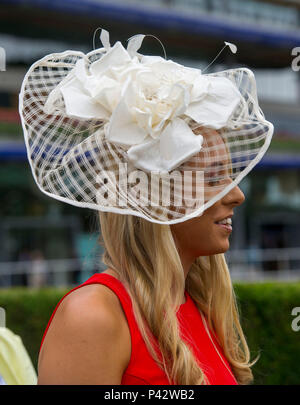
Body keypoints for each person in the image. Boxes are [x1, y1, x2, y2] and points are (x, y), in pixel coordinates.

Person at [19, 30, 273, 385]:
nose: (237, 195)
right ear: (153, 196)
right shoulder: (93, 316)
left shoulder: (197, 305)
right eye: (214, 178)